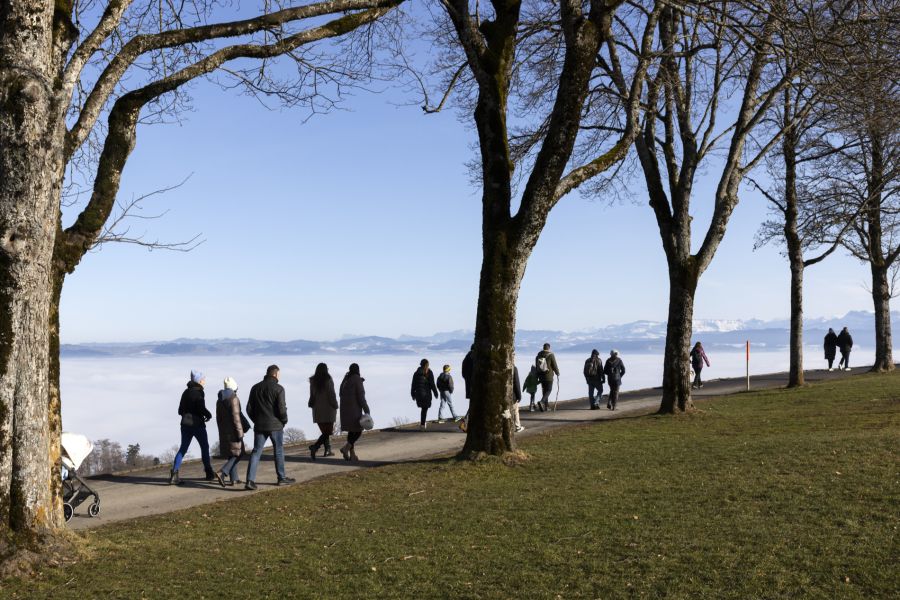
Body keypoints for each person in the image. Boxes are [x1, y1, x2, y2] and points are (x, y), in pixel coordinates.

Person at [244, 365, 295, 490]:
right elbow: (281, 409)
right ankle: (281, 478)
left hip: (260, 425)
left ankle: (250, 480)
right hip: (276, 425)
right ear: (276, 374)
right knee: (278, 451)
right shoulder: (279, 389)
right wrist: (284, 420)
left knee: (256, 452)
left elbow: (249, 409)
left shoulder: (255, 388)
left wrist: (256, 420)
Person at [169, 369, 215, 485]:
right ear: (199, 380)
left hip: (185, 425)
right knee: (204, 447)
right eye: (203, 379)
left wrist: (187, 414)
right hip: (198, 425)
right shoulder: (199, 393)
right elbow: (201, 408)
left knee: (183, 449)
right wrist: (208, 414)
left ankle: (174, 475)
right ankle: (209, 473)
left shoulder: (185, 392)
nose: (204, 381)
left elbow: (180, 410)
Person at [215, 376, 249, 487]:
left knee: (232, 453)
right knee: (239, 453)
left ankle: (234, 479)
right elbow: (236, 418)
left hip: (224, 431)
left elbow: (218, 419)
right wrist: (240, 433)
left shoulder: (219, 400)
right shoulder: (233, 398)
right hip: (234, 432)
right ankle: (223, 472)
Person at [339, 363, 370, 461]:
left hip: (345, 410)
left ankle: (352, 454)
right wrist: (367, 410)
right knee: (358, 431)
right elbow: (361, 397)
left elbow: (340, 393)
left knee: (351, 432)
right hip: (354, 410)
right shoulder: (357, 379)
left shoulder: (346, 379)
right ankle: (346, 448)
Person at [307, 363, 338, 460]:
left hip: (317, 409)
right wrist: (335, 405)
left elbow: (312, 395)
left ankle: (327, 450)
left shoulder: (313, 381)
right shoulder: (328, 380)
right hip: (328, 408)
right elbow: (331, 394)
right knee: (328, 432)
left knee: (325, 432)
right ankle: (315, 447)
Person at [411, 359, 439, 430]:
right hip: (426, 394)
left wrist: (413, 394)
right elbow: (432, 384)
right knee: (424, 409)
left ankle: (423, 424)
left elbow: (413, 384)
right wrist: (435, 392)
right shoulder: (429, 372)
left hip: (418, 394)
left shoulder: (416, 373)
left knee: (423, 409)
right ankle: (423, 425)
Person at [535, 343, 560, 412]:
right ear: (549, 348)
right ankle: (542, 402)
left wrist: (537, 376)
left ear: (543, 348)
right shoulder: (551, 355)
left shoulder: (538, 356)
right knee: (549, 390)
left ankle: (546, 407)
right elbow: (554, 365)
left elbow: (537, 367)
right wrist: (557, 372)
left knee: (544, 390)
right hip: (548, 376)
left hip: (541, 376)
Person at [511, 365, 524, 433]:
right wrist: (519, 396)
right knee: (515, 411)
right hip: (512, 395)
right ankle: (518, 426)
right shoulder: (513, 368)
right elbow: (517, 383)